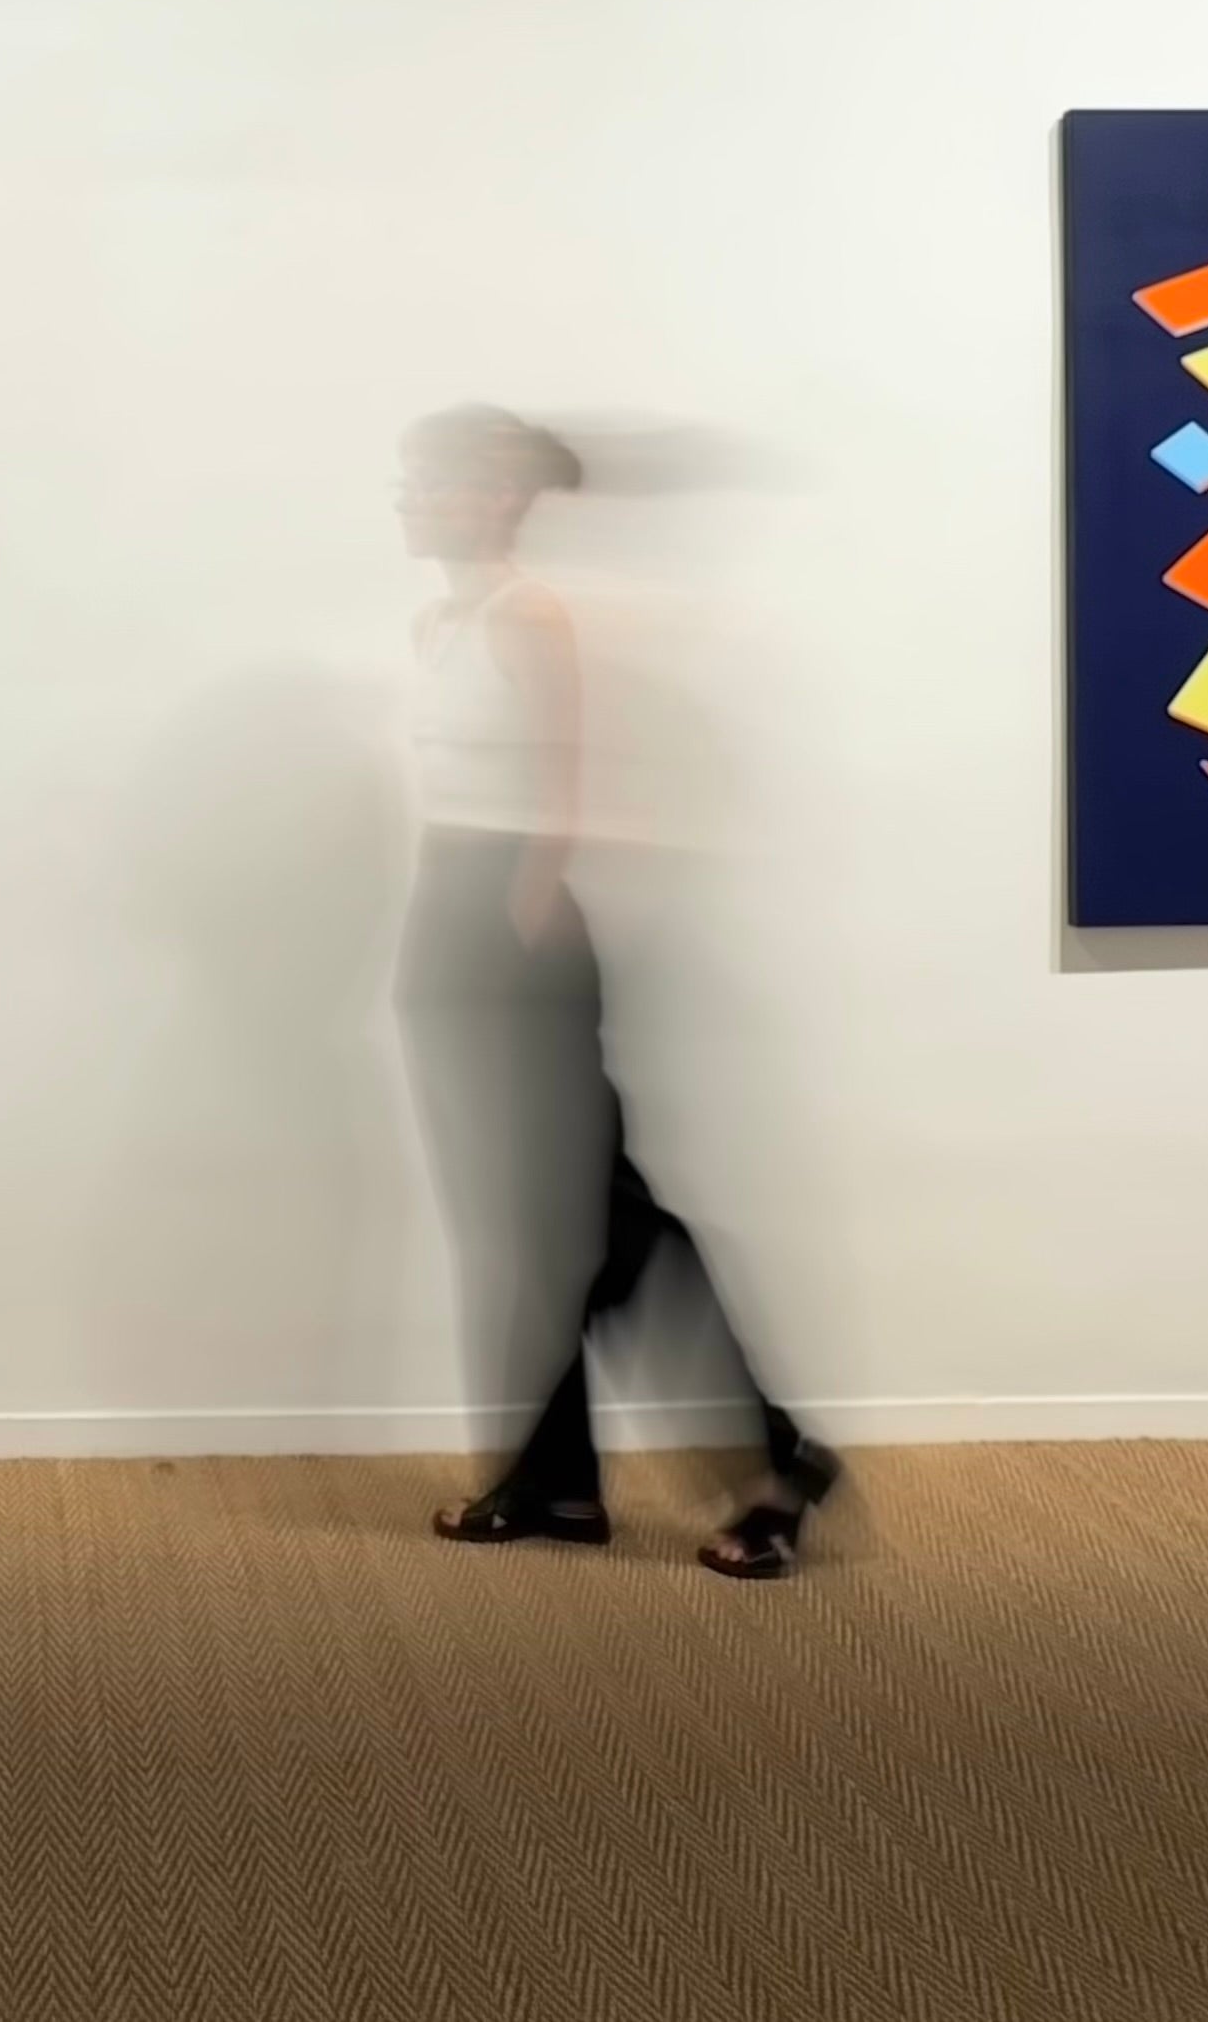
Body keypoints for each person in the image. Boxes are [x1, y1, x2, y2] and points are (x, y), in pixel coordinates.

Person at [390, 404, 839, 1580]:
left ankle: (775, 1463)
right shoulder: (438, 623)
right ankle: (558, 1486)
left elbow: (560, 786)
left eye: (430, 480)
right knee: (521, 1225)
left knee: (595, 1224)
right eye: (410, 479)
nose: (408, 498)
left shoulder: (527, 615)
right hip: (447, 914)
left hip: (512, 930)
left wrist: (520, 914)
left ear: (495, 496)